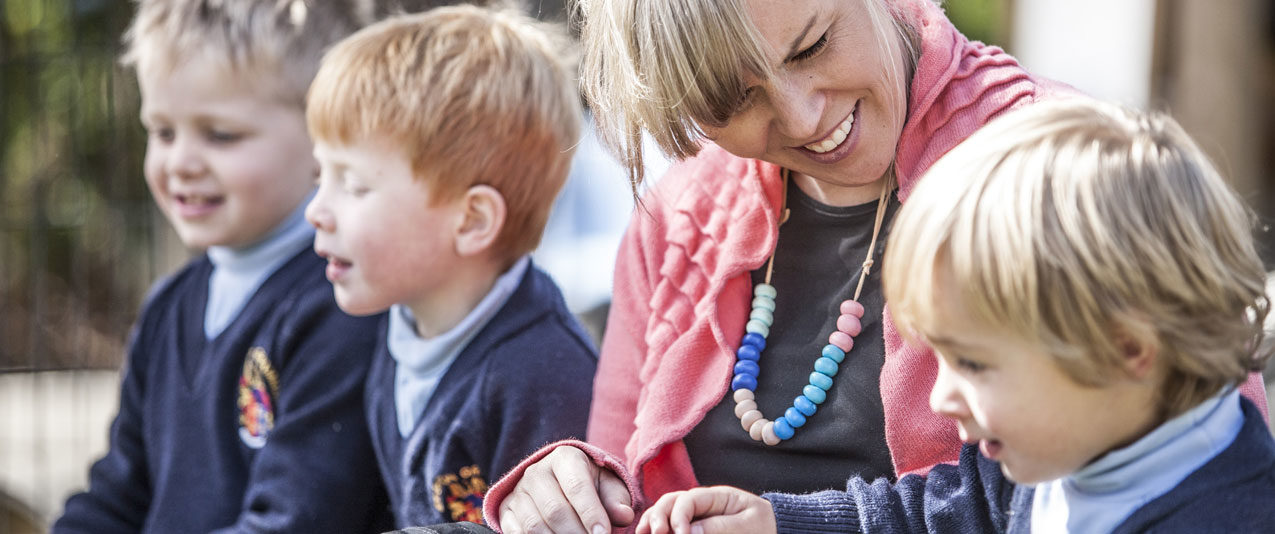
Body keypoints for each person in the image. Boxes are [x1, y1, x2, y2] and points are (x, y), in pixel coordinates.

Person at [482, 0, 1271, 532]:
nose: (802, 116)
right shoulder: (676, 217)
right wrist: (578, 486)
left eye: (814, 45)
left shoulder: (1060, 171)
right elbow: (624, 468)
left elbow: (1187, 441)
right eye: (731, 100)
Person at [635, 100, 1275, 534]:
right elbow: (924, 515)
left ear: (1128, 349)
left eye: (973, 363)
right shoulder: (1049, 459)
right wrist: (780, 523)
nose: (943, 397)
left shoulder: (1230, 514)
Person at [54, 1, 389, 532]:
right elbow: (118, 495)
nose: (180, 161)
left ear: (324, 137)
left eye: (220, 135)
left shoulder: (343, 305)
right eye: (162, 132)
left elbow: (295, 519)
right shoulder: (169, 307)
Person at [303, 5, 598, 527]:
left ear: (471, 220)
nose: (315, 211)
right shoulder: (397, 333)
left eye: (353, 185)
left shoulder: (542, 379)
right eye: (319, 175)